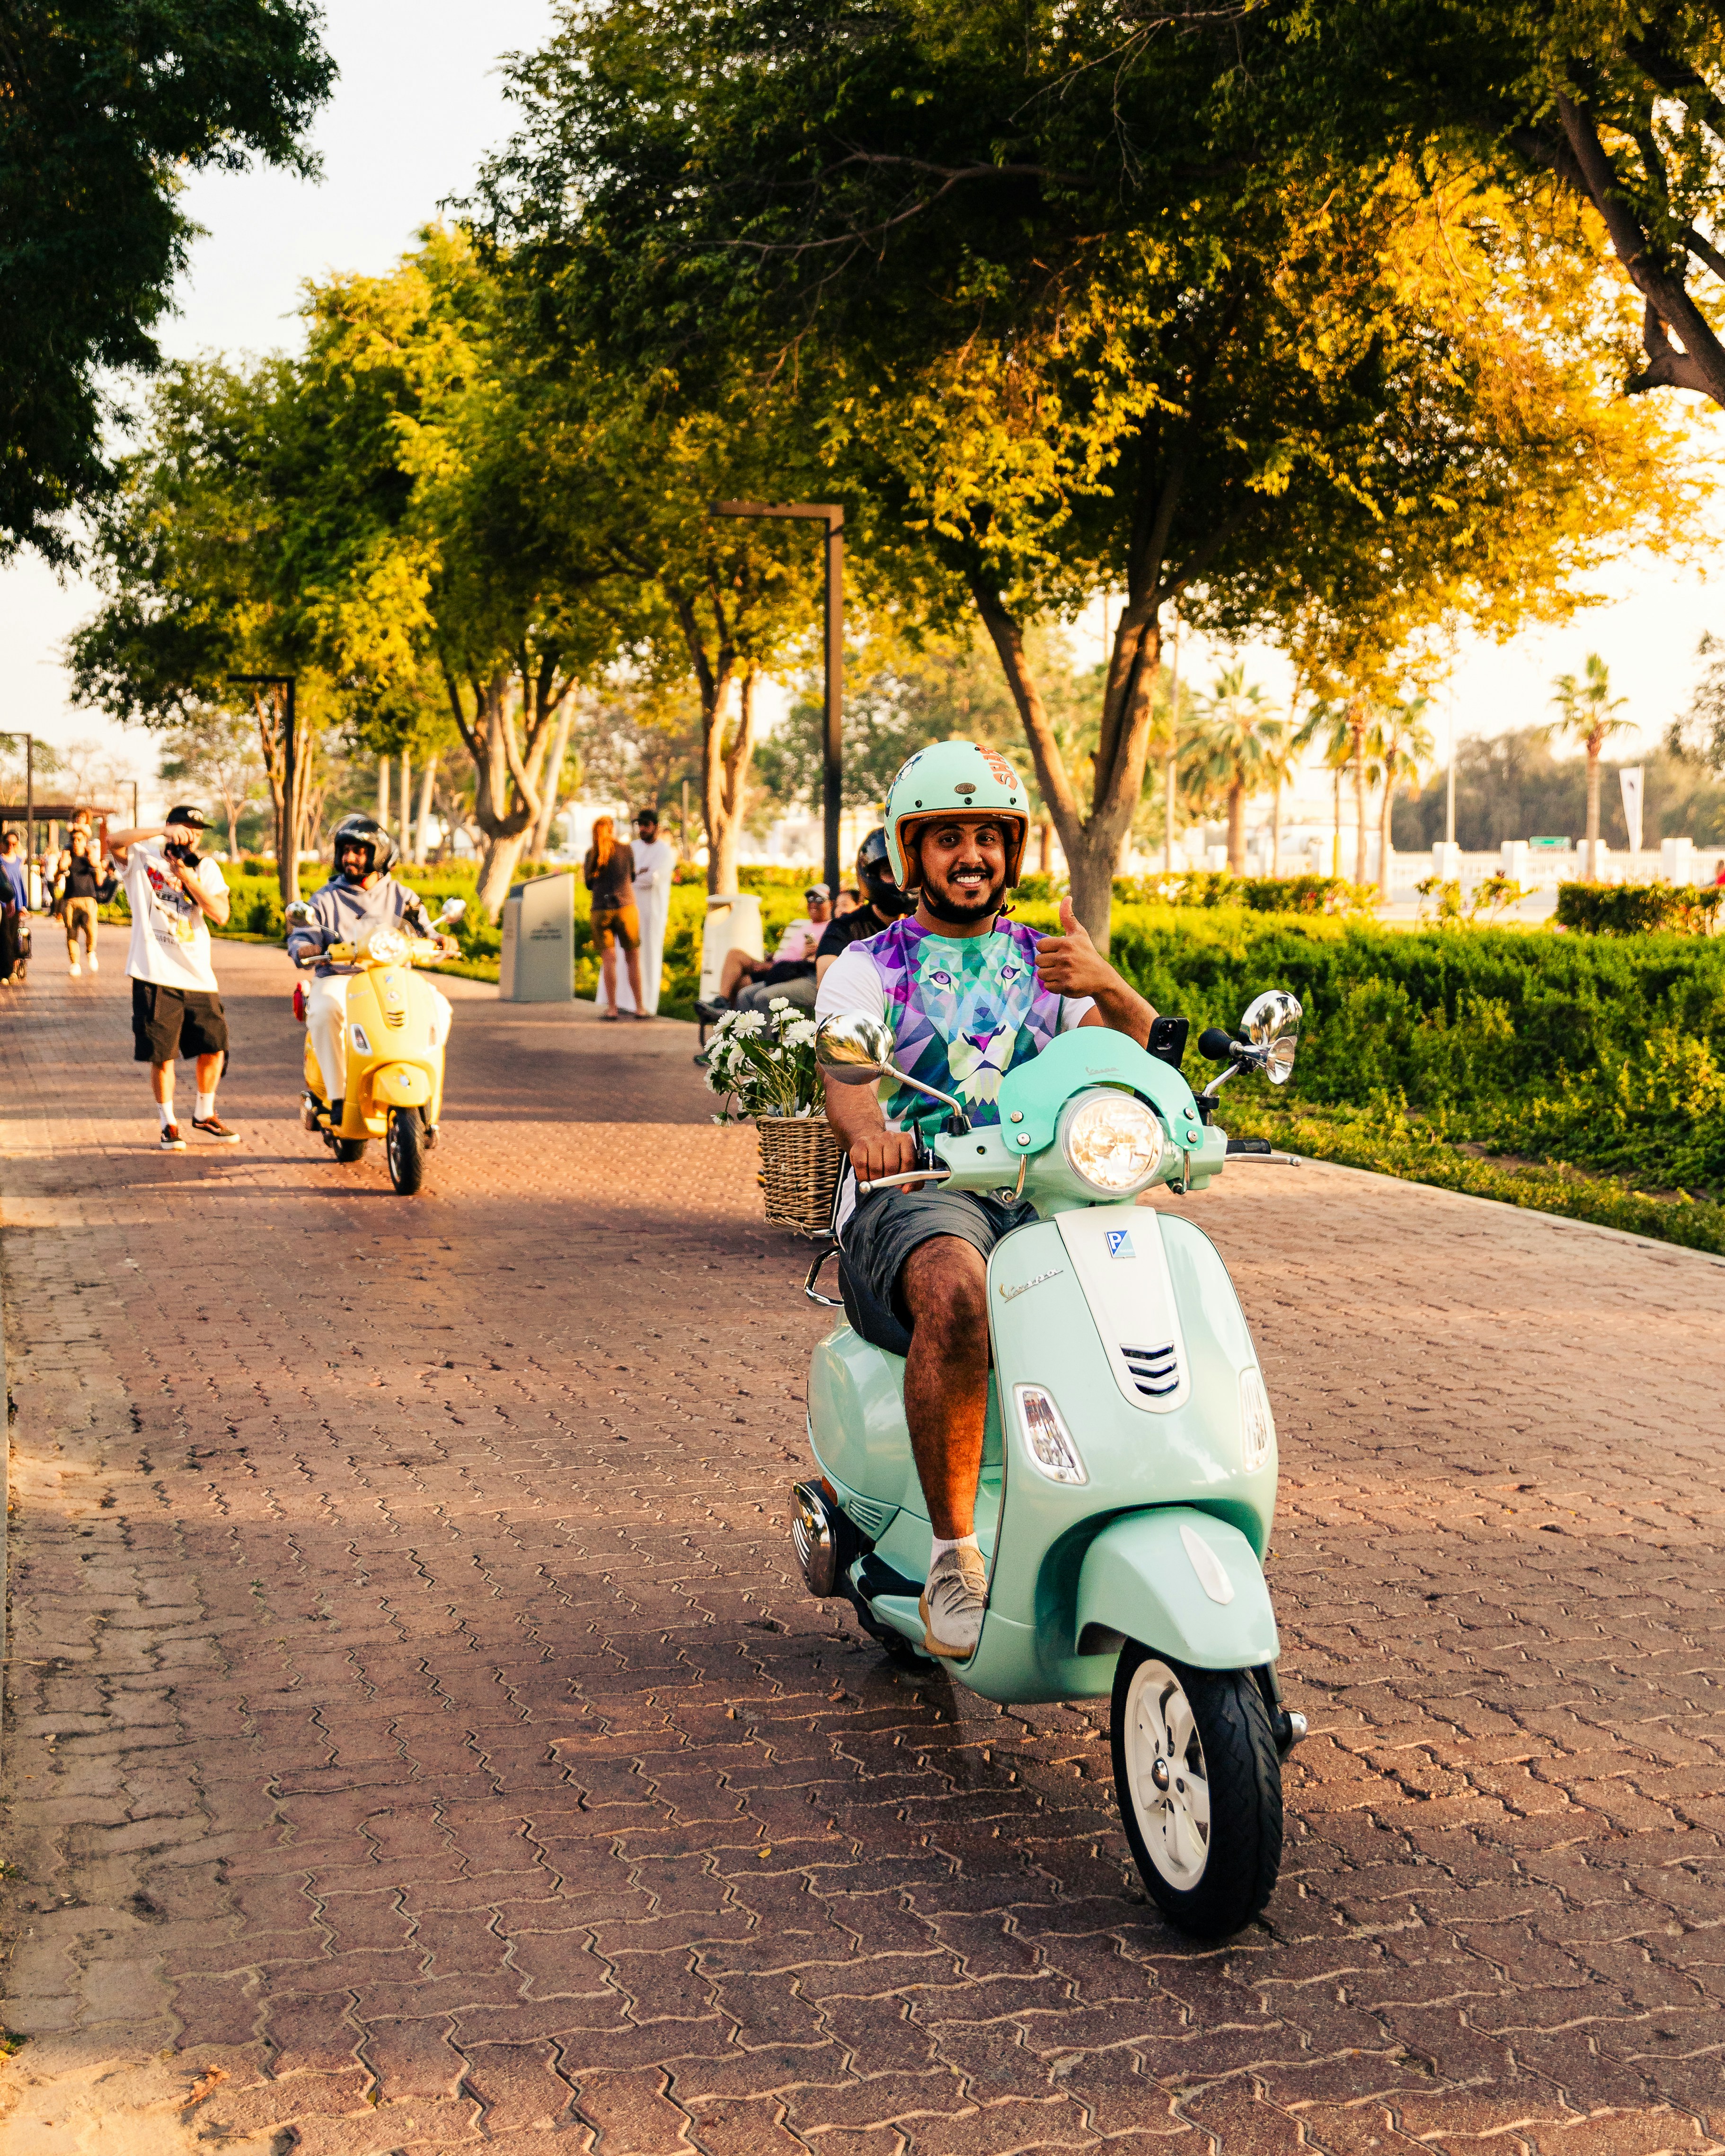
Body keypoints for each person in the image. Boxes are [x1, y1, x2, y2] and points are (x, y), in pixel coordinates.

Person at [814, 740, 1155, 1661]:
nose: (971, 856)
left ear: (1013, 852)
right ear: (910, 852)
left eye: (989, 838)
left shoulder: (1042, 966)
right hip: (915, 1195)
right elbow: (846, 1076)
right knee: (957, 1286)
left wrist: (1105, 983)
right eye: (947, 838)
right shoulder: (866, 965)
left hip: (1032, 1191)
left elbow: (1132, 1059)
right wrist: (871, 1134)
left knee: (1136, 1274)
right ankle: (953, 1557)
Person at [286, 814, 454, 1126]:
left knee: (439, 1008)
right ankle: (337, 1097)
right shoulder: (325, 898)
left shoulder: (402, 896)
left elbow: (425, 928)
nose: (349, 857)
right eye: (345, 850)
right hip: (340, 977)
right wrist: (304, 947)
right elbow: (304, 934)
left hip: (394, 976)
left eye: (359, 851)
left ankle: (423, 1085)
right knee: (323, 1010)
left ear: (379, 855)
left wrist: (438, 939)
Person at [104, 807, 238, 1148]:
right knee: (162, 1054)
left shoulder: (205, 867)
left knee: (215, 1045)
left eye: (197, 830)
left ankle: (205, 1113)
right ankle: (168, 1124)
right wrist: (162, 832)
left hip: (197, 975)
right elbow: (113, 840)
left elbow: (221, 915)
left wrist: (187, 876)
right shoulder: (141, 859)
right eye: (185, 828)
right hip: (153, 972)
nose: (190, 835)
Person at [813, 827, 918, 992]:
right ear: (872, 877)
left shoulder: (926, 924)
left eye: (904, 869)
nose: (899, 878)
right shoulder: (845, 927)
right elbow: (827, 977)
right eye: (890, 871)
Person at [715, 884, 832, 1015]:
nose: (813, 903)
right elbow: (791, 953)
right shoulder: (806, 928)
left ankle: (723, 1007)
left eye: (820, 900)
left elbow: (812, 961)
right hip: (777, 966)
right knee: (737, 968)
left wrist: (803, 955)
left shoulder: (830, 928)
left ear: (831, 904)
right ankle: (727, 1010)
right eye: (810, 899)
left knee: (738, 968)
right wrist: (774, 958)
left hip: (789, 972)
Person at [609, 806, 679, 1015]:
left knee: (647, 957)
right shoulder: (631, 847)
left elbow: (651, 879)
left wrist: (634, 875)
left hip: (651, 914)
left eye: (646, 825)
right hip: (627, 909)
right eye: (640, 825)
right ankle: (621, 1001)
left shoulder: (665, 852)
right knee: (623, 955)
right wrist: (638, 874)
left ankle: (644, 1004)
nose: (642, 829)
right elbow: (622, 874)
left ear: (656, 826)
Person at [584, 815, 647, 1021]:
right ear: (612, 830)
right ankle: (640, 1008)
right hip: (626, 909)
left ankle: (612, 1009)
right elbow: (632, 877)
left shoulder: (591, 854)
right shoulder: (626, 850)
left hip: (601, 910)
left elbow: (588, 884)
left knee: (609, 961)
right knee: (633, 959)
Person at [56, 828, 114, 976]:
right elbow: (56, 879)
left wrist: (96, 866)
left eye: (79, 840)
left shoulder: (89, 858)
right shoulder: (67, 857)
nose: (76, 842)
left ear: (85, 842)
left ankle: (90, 951)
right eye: (73, 840)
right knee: (71, 932)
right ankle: (75, 963)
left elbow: (100, 882)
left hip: (89, 899)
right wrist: (61, 868)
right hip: (70, 900)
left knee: (91, 930)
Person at [0, 830, 28, 987]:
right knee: (4, 937)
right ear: (3, 844)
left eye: (14, 844)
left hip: (15, 904)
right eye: (8, 843)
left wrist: (23, 904)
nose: (11, 846)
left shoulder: (19, 860)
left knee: (12, 937)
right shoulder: (0, 860)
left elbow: (20, 882)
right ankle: (6, 971)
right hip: (2, 903)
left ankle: (10, 970)